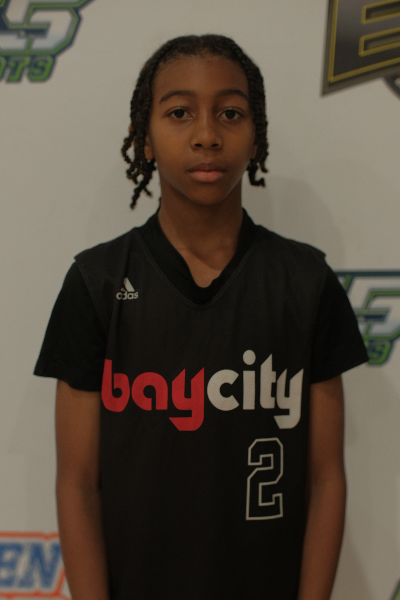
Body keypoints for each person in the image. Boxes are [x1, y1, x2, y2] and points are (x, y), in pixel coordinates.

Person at [34, 34, 368, 600]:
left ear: (256, 136)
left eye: (230, 113)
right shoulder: (97, 283)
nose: (207, 134)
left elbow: (325, 478)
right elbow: (78, 482)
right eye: (180, 112)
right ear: (144, 138)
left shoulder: (305, 282)